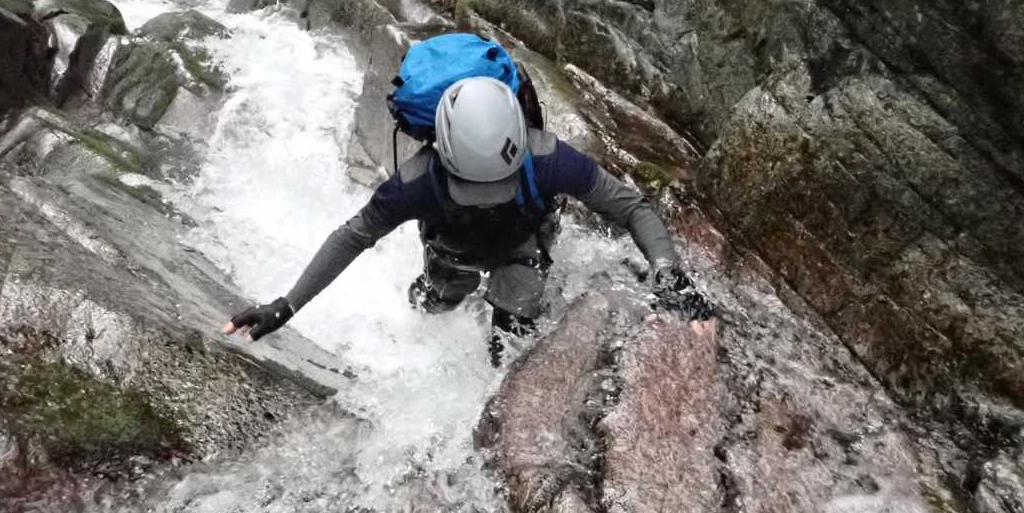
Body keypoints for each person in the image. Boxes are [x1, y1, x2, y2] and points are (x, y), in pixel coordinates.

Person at [223, 75, 708, 361]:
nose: (486, 199)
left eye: (496, 188)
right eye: (473, 190)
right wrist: (286, 305)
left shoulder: (550, 159)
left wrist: (668, 271)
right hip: (452, 250)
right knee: (435, 302)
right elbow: (352, 237)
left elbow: (631, 207)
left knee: (512, 339)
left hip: (522, 246)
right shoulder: (414, 184)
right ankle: (431, 297)